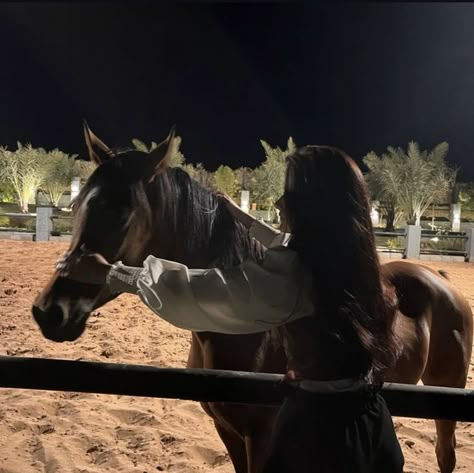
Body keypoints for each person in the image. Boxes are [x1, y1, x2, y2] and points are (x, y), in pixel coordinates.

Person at [58, 145, 404, 472]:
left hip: (320, 439)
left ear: (314, 207)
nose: (281, 202)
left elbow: (209, 292)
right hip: (373, 426)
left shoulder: (295, 280)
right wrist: (245, 220)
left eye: (291, 195)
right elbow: (293, 248)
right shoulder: (355, 262)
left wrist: (114, 274)